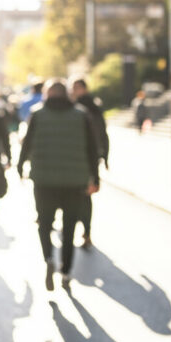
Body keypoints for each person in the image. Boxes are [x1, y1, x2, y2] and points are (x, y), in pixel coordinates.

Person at [17, 80, 100, 291]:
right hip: (75, 182)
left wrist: (20, 166)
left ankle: (48, 258)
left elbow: (27, 143)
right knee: (69, 227)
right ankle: (65, 271)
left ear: (47, 95)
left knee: (44, 223)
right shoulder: (81, 115)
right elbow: (92, 148)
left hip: (43, 181)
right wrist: (95, 178)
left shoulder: (37, 114)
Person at [70, 78, 109, 249]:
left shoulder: (83, 108)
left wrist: (105, 155)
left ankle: (86, 230)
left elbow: (102, 132)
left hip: (84, 156)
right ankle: (84, 229)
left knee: (84, 195)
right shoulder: (78, 106)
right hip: (84, 155)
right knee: (82, 195)